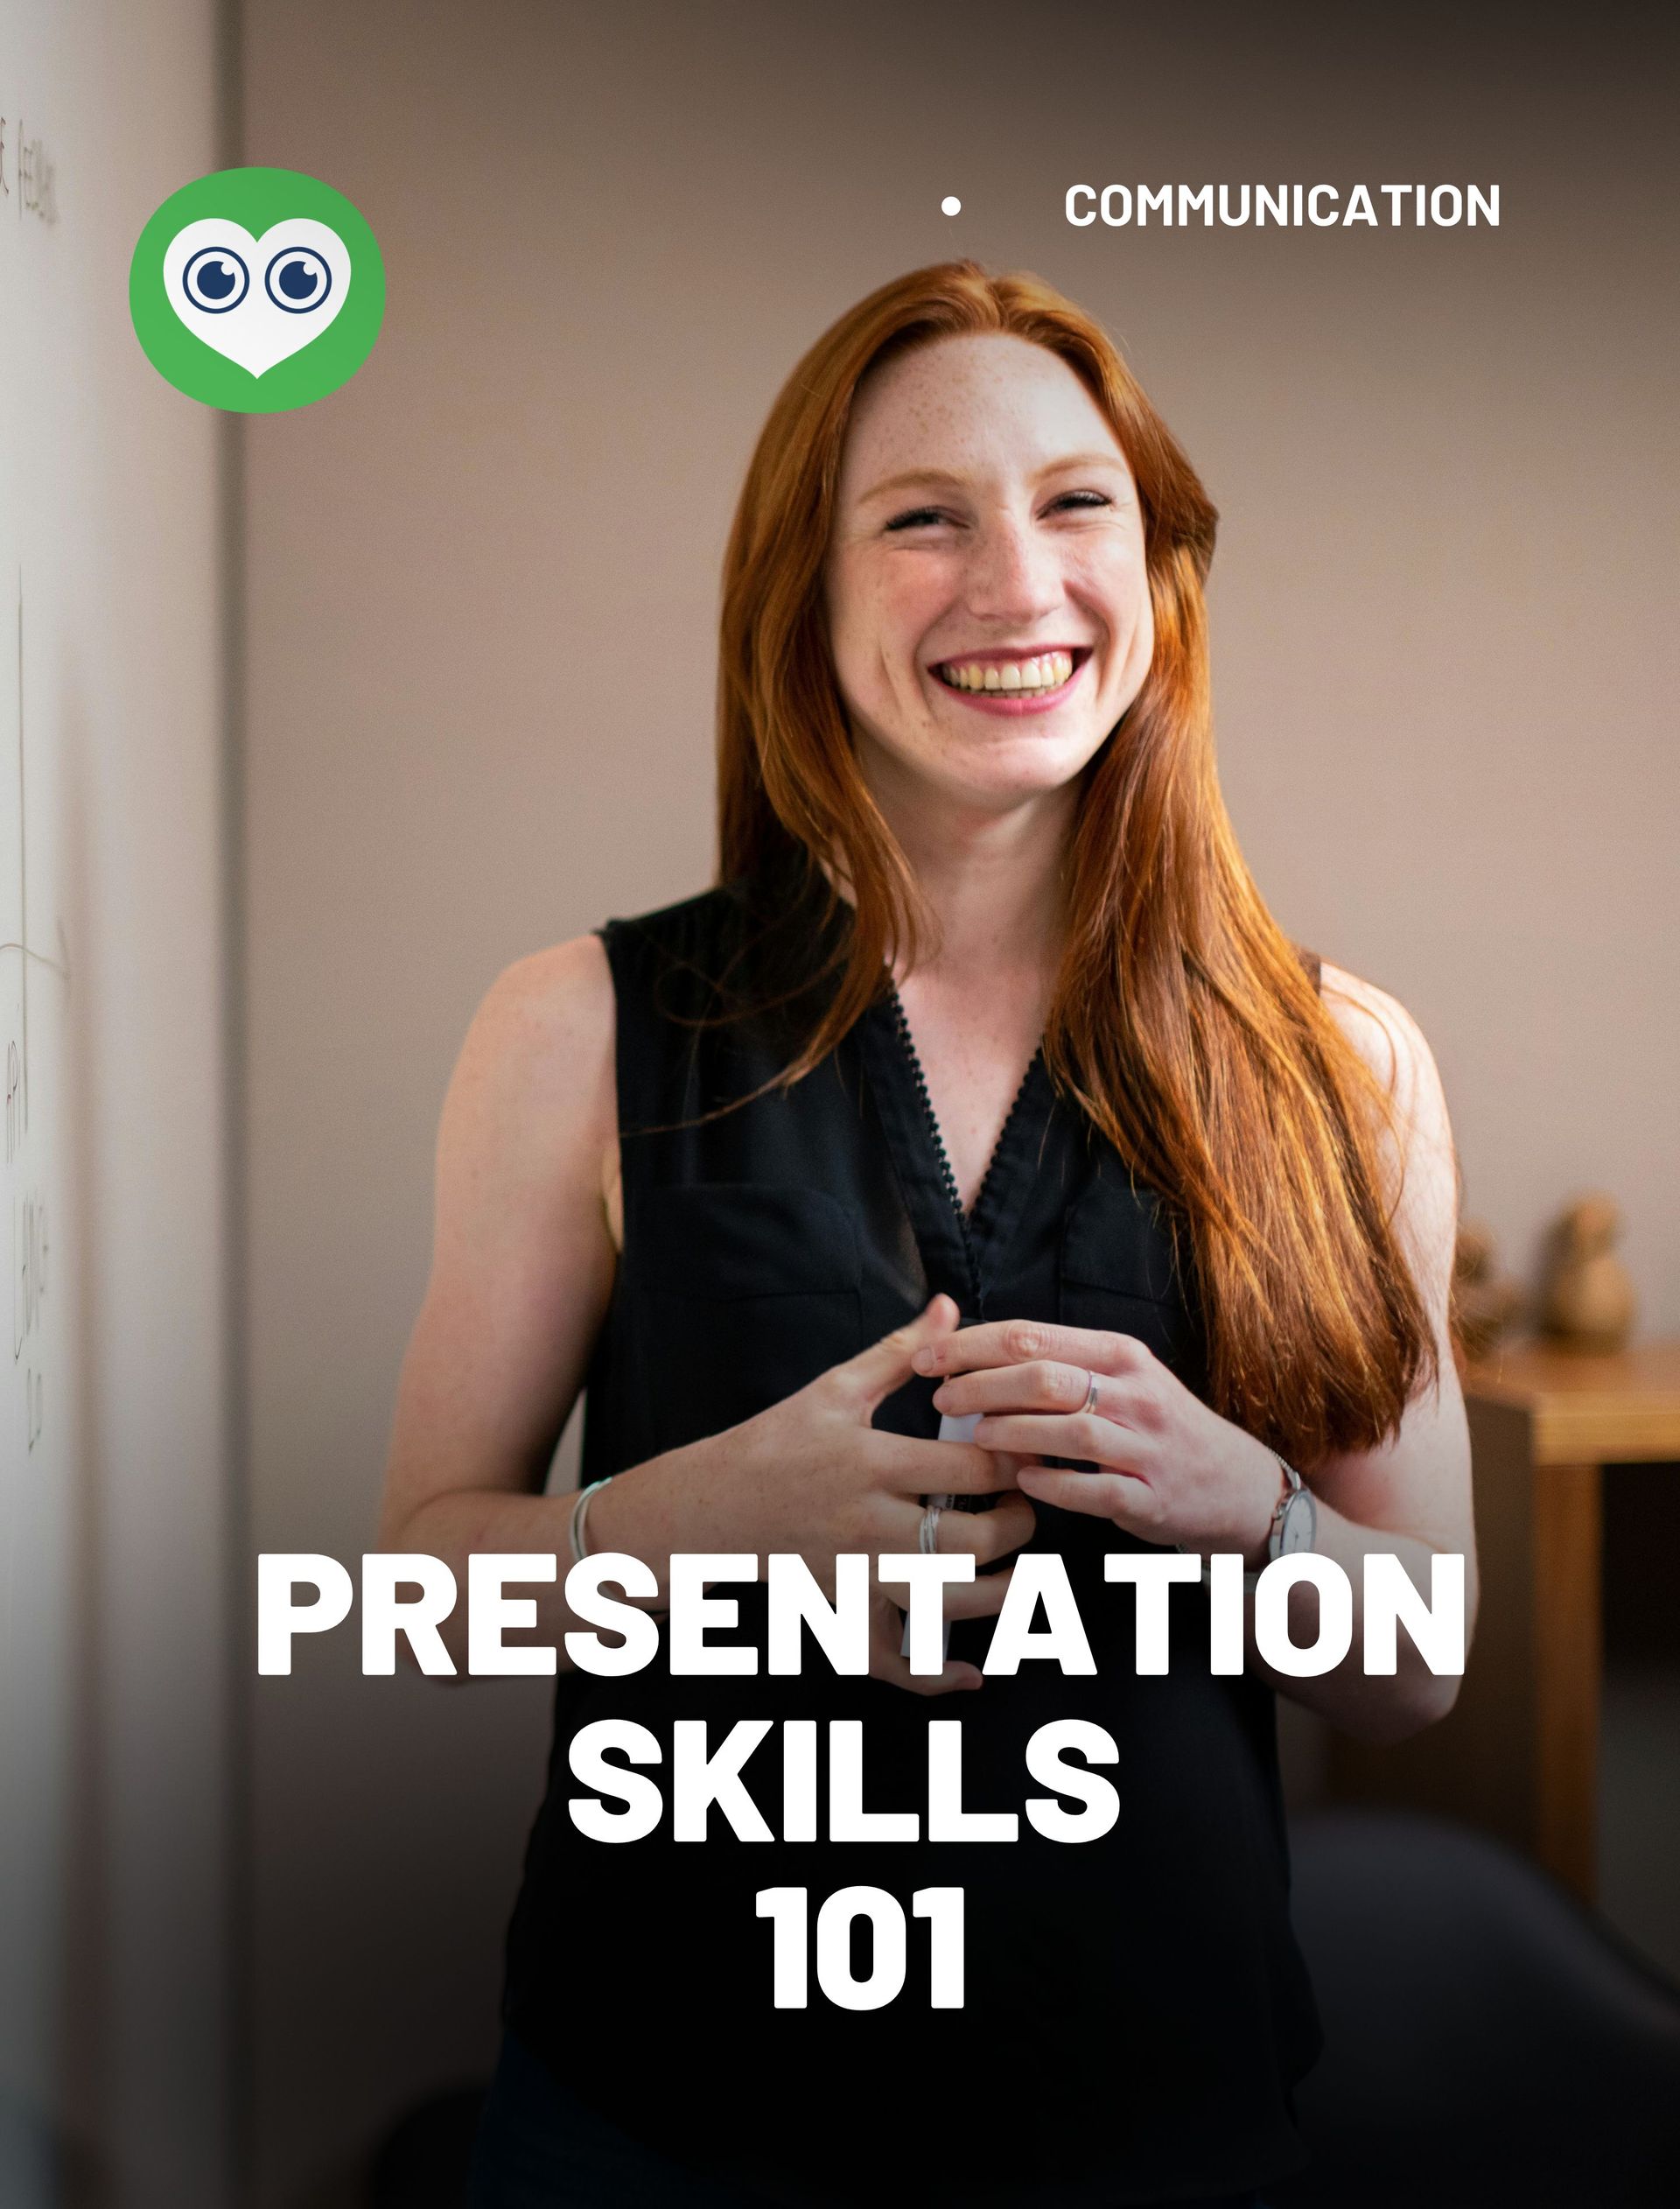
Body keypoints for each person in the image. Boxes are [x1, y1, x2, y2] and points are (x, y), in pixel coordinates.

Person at [377, 260, 1475, 2207]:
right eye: (923, 518)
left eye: (1076, 504)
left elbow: (1418, 1658)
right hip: (657, 2133)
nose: (1017, 581)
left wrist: (1251, 1503)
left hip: (1167, 2135)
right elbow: (411, 1588)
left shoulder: (1349, 1062)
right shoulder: (575, 1029)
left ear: (1160, 571)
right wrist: (681, 1521)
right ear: (802, 593)